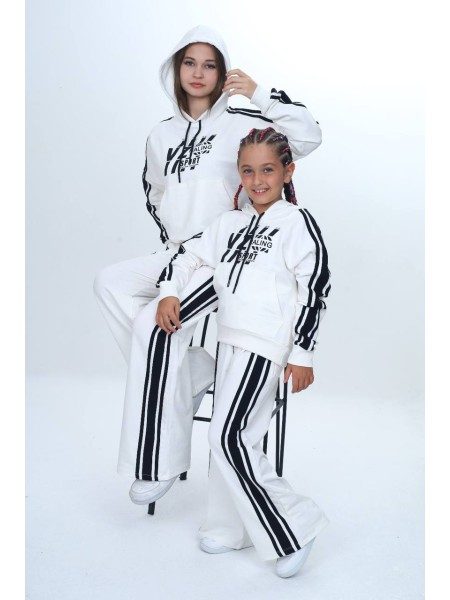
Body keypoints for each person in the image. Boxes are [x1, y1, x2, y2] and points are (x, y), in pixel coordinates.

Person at [93, 24, 323, 506]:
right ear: (176, 69)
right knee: (110, 282)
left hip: (226, 256)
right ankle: (192, 373)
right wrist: (176, 241)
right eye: (189, 63)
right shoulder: (160, 134)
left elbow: (309, 135)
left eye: (210, 64)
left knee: (154, 329)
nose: (198, 73)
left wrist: (259, 94)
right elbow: (155, 191)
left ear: (223, 73)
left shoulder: (242, 123)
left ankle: (158, 462)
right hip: (182, 251)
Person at [156, 127, 331, 578]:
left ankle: (296, 525)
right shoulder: (228, 224)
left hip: (265, 345)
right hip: (228, 340)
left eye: (267, 170)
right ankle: (228, 527)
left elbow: (314, 288)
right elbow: (190, 255)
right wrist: (170, 290)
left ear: (288, 172)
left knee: (228, 436)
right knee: (233, 435)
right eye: (248, 171)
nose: (257, 180)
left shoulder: (296, 223)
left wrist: (303, 353)